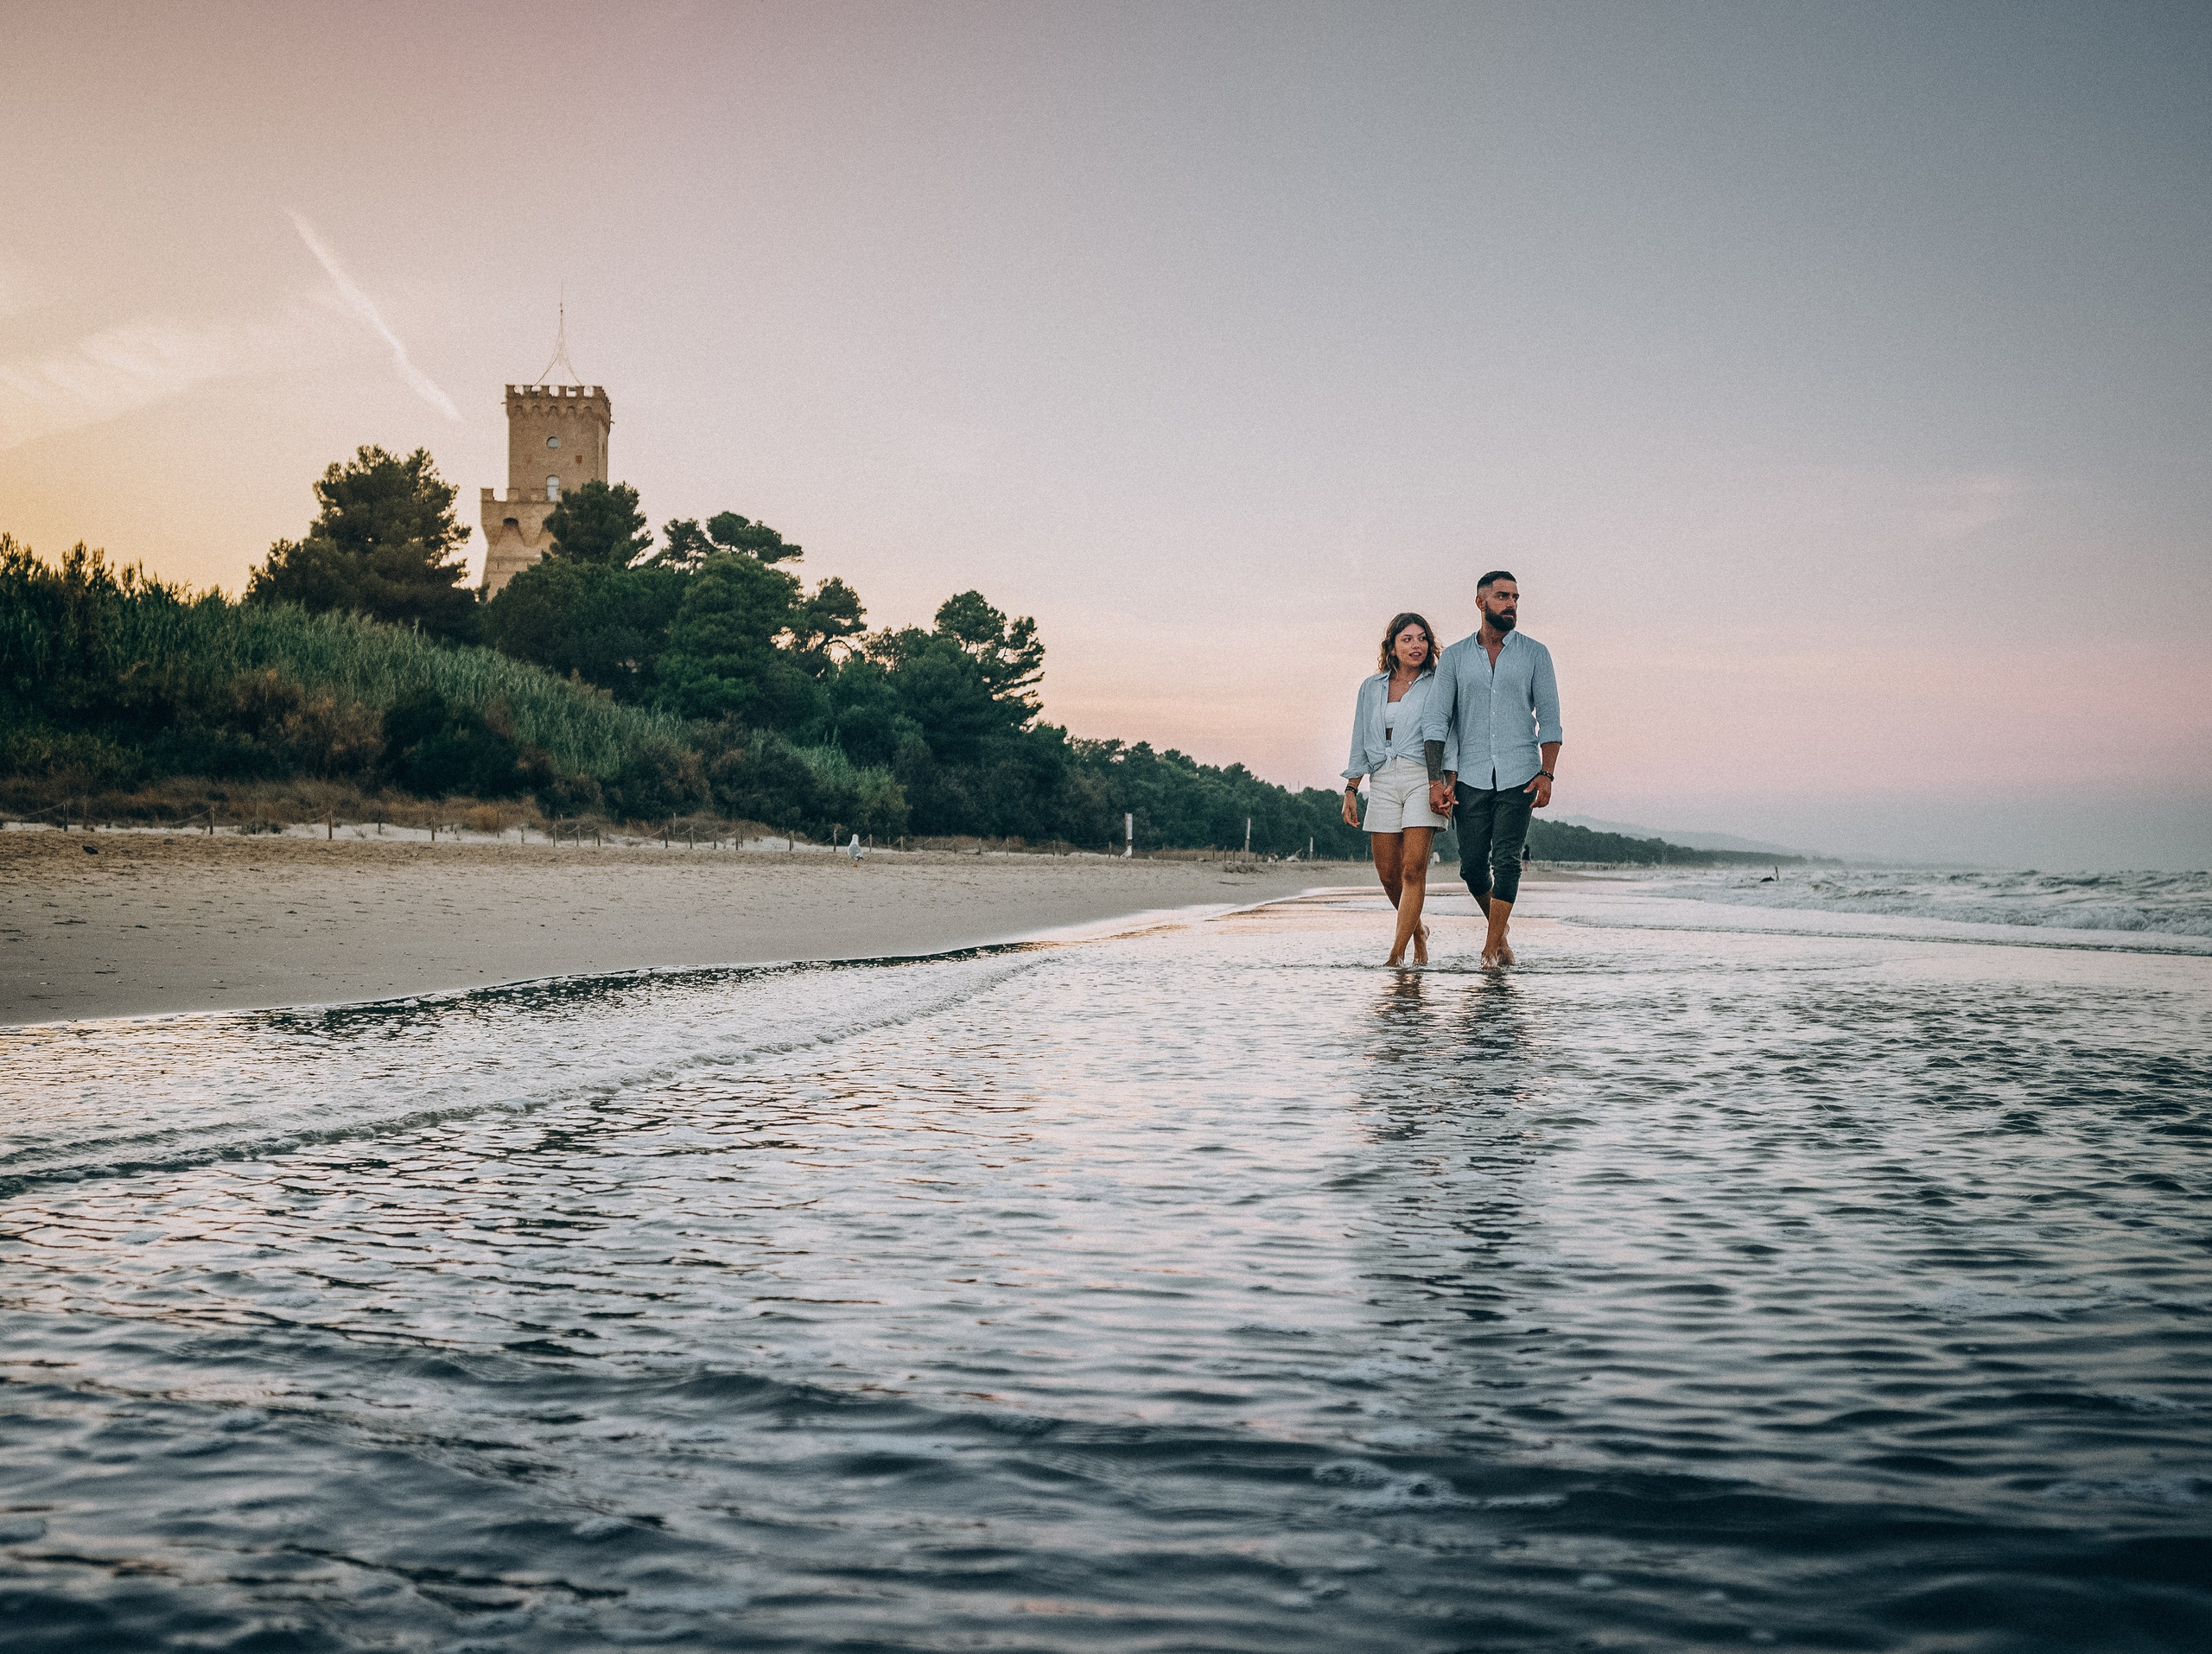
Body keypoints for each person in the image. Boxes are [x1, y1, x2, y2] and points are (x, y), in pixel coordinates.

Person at [1421, 571, 1562, 967]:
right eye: (1502, 596)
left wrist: (1547, 774)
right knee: (1471, 866)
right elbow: (1436, 722)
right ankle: (1500, 933)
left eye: (1515, 597)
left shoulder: (1536, 654)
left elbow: (1550, 721)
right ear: (1481, 602)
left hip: (1520, 772)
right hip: (1470, 775)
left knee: (1506, 860)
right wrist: (1437, 780)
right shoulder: (1454, 658)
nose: (1511, 604)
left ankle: (1489, 948)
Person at [1341, 613, 1453, 966]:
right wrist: (1351, 788)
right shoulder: (1370, 687)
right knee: (1389, 874)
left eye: (1421, 639)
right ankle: (1418, 929)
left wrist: (1447, 781)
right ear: (1392, 646)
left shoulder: (1439, 684)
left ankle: (1397, 952)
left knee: (1412, 869)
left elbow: (1451, 736)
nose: (1415, 645)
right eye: (1406, 639)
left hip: (1424, 776)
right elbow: (1360, 737)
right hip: (1383, 779)